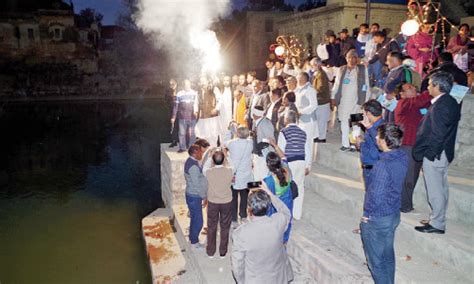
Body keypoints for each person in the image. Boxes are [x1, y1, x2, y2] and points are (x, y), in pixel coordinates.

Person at [413, 71, 461, 234]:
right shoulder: (449, 101)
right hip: (442, 152)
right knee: (440, 188)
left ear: (438, 86)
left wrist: (430, 154)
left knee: (435, 189)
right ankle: (437, 218)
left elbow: (438, 134)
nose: (427, 87)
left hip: (436, 154)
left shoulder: (442, 105)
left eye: (430, 84)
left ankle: (437, 224)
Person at [360, 124, 408, 284]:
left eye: (378, 136)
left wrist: (367, 216)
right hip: (393, 213)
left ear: (385, 141)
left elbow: (376, 195)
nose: (375, 138)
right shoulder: (402, 156)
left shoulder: (382, 165)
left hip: (378, 218)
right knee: (387, 256)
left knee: (377, 262)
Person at [231, 186, 293, 284]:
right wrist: (270, 194)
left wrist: (242, 281)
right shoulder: (278, 222)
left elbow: (237, 265)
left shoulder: (241, 233)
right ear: (268, 207)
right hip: (278, 278)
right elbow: (285, 212)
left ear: (249, 209)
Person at [393, 83, 431, 213]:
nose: (414, 89)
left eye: (414, 87)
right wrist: (433, 88)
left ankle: (404, 203)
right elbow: (421, 100)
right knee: (407, 177)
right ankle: (404, 205)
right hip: (407, 145)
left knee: (413, 175)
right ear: (402, 94)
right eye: (410, 88)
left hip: (418, 145)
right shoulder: (403, 103)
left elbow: (426, 104)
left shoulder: (417, 104)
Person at [331, 49, 370, 151]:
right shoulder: (341, 69)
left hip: (357, 102)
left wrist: (365, 101)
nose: (352, 59)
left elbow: (366, 85)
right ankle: (345, 144)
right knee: (344, 122)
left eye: (354, 57)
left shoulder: (362, 69)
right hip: (344, 101)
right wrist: (333, 97)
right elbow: (336, 85)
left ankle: (354, 145)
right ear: (346, 58)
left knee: (356, 124)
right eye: (349, 57)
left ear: (357, 59)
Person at [278, 110, 310, 220]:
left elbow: (280, 150)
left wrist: (280, 166)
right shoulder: (303, 132)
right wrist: (307, 165)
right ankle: (297, 214)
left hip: (289, 163)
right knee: (300, 187)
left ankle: (287, 213)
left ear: (286, 119)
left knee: (287, 188)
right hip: (301, 162)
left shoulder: (284, 132)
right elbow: (307, 149)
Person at [202, 149, 233, 258]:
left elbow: (204, 167)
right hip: (226, 202)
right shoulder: (230, 171)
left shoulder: (209, 172)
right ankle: (222, 252)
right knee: (225, 227)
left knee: (211, 226)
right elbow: (233, 164)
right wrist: (226, 155)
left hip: (213, 202)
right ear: (224, 160)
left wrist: (210, 156)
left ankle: (210, 252)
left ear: (213, 161)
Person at [225, 125, 254, 226]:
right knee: (244, 196)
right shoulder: (250, 143)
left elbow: (224, 143)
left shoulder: (232, 143)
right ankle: (243, 215)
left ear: (237, 133)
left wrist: (231, 132)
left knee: (233, 197)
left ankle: (233, 218)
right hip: (246, 175)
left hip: (235, 174)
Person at [184, 144, 208, 248]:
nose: (201, 154)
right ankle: (194, 242)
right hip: (195, 196)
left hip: (193, 195)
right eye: (200, 152)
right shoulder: (193, 166)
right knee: (198, 221)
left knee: (194, 218)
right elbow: (196, 184)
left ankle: (192, 238)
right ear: (194, 153)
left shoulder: (192, 162)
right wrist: (204, 196)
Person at [356, 100, 384, 185]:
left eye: (363, 113)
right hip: (369, 165)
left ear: (368, 114)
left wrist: (361, 144)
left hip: (373, 167)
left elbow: (379, 144)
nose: (362, 115)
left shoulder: (379, 128)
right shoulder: (374, 125)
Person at [172, 79, 198, 153]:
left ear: (190, 85)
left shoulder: (194, 93)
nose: (187, 86)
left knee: (192, 133)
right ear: (183, 85)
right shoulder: (179, 94)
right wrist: (173, 117)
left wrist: (196, 112)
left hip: (192, 117)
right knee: (182, 133)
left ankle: (191, 148)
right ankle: (182, 147)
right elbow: (176, 106)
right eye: (185, 84)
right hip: (182, 117)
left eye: (188, 84)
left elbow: (196, 104)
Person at [195, 76, 222, 147]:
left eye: (204, 81)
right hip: (203, 117)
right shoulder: (198, 91)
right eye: (201, 82)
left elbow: (220, 100)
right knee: (204, 136)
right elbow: (196, 102)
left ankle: (214, 152)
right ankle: (206, 153)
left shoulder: (214, 89)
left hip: (212, 117)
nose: (203, 83)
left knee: (213, 135)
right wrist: (196, 111)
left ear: (207, 81)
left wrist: (216, 109)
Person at [252, 105, 275, 181]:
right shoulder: (255, 122)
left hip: (264, 154)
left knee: (263, 177)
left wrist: (261, 144)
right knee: (256, 177)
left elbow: (271, 139)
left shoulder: (266, 123)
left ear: (255, 114)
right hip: (257, 154)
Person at [311, 57, 331, 143]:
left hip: (322, 101)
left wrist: (312, 92)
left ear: (317, 65)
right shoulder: (318, 74)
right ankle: (318, 136)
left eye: (313, 65)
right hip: (319, 100)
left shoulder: (321, 75)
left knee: (321, 120)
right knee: (319, 120)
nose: (312, 67)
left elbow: (320, 88)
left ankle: (322, 137)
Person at [167, 79, 179, 148]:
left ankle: (182, 141)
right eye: (170, 84)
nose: (171, 86)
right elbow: (167, 101)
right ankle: (174, 141)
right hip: (172, 111)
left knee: (181, 127)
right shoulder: (168, 92)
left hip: (180, 112)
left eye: (173, 84)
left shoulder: (180, 91)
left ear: (176, 84)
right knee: (173, 127)